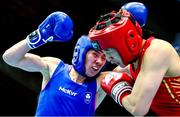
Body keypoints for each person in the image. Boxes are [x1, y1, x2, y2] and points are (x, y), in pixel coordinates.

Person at [2, 11, 107, 116]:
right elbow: (10, 58)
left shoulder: (101, 81)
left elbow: (123, 68)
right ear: (82, 52)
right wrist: (39, 36)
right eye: (95, 54)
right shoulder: (55, 68)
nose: (100, 61)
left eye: (104, 57)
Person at [88, 4, 180, 116]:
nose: (108, 58)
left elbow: (137, 109)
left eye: (108, 51)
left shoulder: (157, 50)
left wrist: (117, 89)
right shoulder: (133, 64)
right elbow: (104, 79)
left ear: (124, 43)